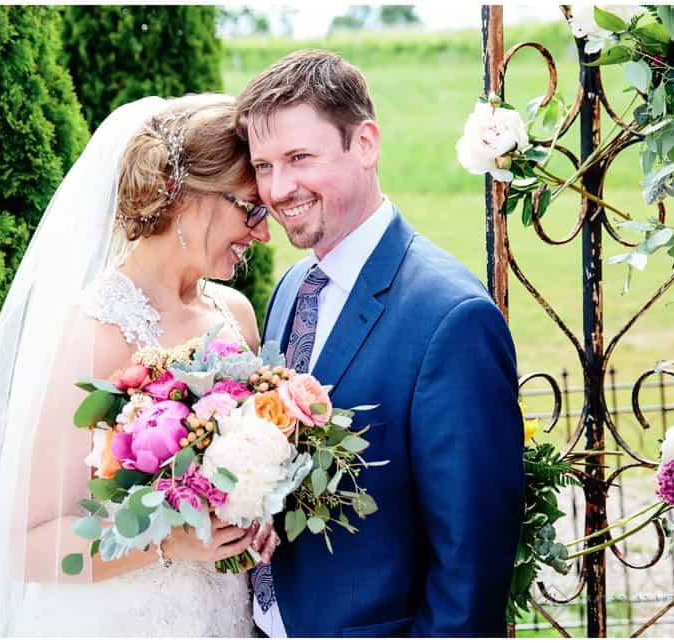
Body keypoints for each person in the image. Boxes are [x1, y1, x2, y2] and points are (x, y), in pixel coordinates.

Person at [0, 94, 279, 637]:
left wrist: (255, 515)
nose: (262, 232)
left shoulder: (235, 315)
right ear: (182, 194)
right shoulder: (93, 332)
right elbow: (29, 546)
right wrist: (168, 541)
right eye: (250, 209)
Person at [236, 50, 526, 636]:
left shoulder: (451, 317)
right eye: (264, 166)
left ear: (365, 144)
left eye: (298, 158)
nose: (279, 187)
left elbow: (471, 564)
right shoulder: (293, 287)